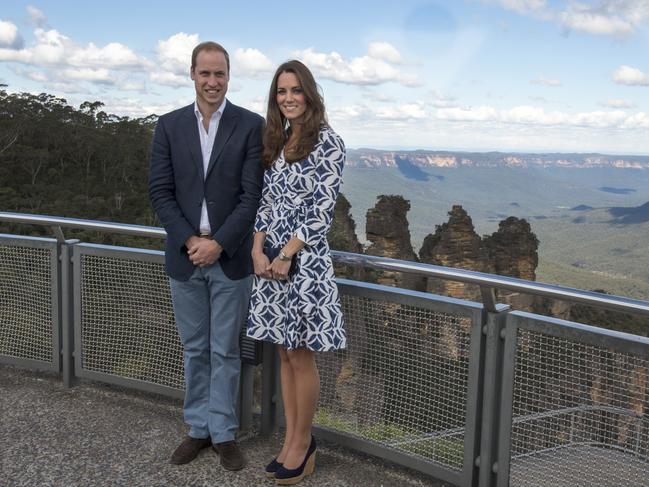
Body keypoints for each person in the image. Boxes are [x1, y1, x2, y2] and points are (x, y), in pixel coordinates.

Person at [148, 41, 264, 470]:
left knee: (226, 350)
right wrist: (189, 241)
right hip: (185, 257)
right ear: (192, 75)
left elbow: (252, 196)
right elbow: (160, 192)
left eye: (220, 74)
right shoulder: (169, 126)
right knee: (195, 348)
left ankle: (224, 433)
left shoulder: (250, 125)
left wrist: (219, 243)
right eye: (205, 73)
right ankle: (198, 429)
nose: (212, 82)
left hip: (229, 258)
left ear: (229, 77)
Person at [247, 60, 347, 485]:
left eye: (295, 90)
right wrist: (257, 248)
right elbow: (268, 203)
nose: (288, 98)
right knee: (284, 353)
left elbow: (321, 211)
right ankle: (290, 441)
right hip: (270, 262)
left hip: (303, 265)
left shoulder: (329, 142)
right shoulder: (282, 140)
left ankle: (303, 444)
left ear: (310, 93)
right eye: (281, 91)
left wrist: (287, 253)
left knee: (301, 356)